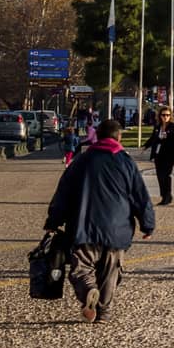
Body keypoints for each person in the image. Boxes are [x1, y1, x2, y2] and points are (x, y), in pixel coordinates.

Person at [44, 118, 154, 323]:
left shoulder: (82, 161)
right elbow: (140, 195)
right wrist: (147, 224)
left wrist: (54, 220)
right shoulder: (126, 161)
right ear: (118, 137)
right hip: (117, 228)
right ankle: (104, 312)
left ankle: (88, 290)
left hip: (84, 225)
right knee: (110, 271)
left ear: (98, 136)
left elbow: (63, 192)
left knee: (81, 269)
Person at [147, 107, 174, 206]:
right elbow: (153, 138)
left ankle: (168, 196)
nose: (165, 117)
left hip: (170, 155)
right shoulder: (158, 126)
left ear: (170, 116)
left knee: (166, 175)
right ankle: (164, 196)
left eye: (167, 115)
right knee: (159, 176)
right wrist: (145, 146)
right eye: (163, 115)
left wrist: (166, 138)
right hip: (158, 154)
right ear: (160, 116)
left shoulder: (173, 126)